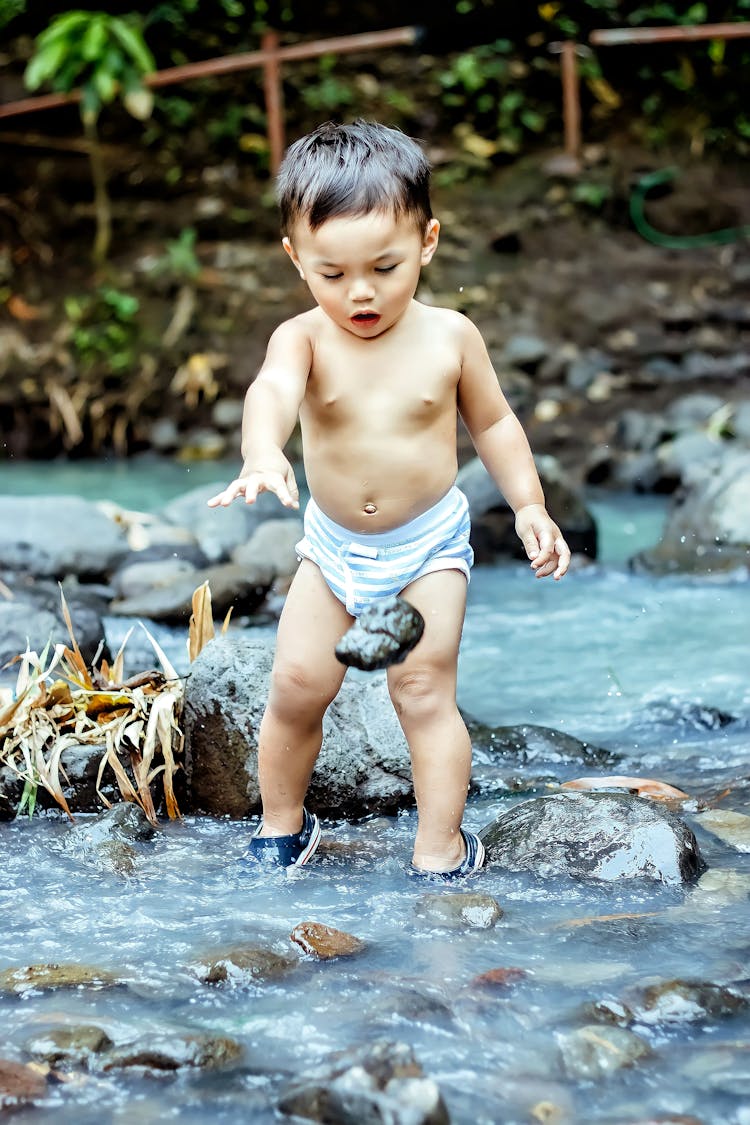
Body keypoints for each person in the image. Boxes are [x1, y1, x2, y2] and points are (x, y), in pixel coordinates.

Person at [208, 120, 570, 879]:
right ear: (295, 259)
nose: (361, 291)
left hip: (427, 551)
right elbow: (269, 392)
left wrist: (530, 504)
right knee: (297, 684)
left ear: (428, 242)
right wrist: (262, 450)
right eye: (332, 273)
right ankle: (283, 824)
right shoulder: (302, 339)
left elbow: (495, 422)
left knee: (421, 688)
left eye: (386, 265)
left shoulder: (451, 337)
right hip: (332, 550)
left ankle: (439, 846)